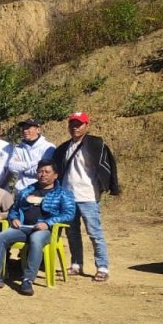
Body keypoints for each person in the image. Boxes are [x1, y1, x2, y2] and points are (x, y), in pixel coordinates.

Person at [0, 161, 76, 295]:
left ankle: (27, 280)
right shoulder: (28, 190)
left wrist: (48, 223)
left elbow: (69, 214)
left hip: (45, 230)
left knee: (36, 240)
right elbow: (14, 209)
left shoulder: (63, 193)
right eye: (40, 171)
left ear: (55, 175)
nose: (43, 174)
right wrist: (14, 218)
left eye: (47, 172)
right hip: (23, 227)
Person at [52, 111, 119, 282]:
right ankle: (76, 264)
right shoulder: (63, 148)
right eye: (72, 124)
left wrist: (109, 186)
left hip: (88, 195)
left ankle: (102, 267)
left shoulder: (96, 144)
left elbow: (108, 166)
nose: (75, 127)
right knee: (72, 233)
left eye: (79, 124)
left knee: (94, 233)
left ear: (86, 125)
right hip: (68, 197)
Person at [9, 118, 56, 195]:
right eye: (23, 128)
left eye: (28, 128)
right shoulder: (18, 148)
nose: (25, 131)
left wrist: (23, 169)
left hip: (40, 190)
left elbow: (44, 171)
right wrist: (35, 163)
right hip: (20, 191)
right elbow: (12, 167)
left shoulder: (48, 147)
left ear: (38, 130)